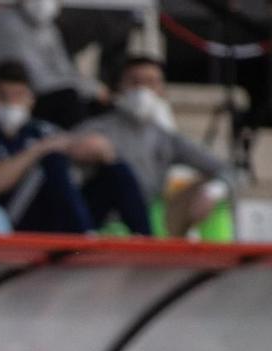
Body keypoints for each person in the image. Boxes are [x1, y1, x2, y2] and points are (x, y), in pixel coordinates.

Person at [0, 60, 147, 236]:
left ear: (31, 99)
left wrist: (99, 149)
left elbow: (74, 146)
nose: (10, 103)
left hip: (52, 214)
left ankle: (145, 239)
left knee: (114, 167)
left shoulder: (41, 129)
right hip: (9, 217)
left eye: (18, 96)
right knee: (52, 160)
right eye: (3, 96)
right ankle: (84, 236)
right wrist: (38, 150)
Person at [75, 55, 231, 237]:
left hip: (149, 216)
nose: (142, 90)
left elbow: (227, 169)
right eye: (134, 82)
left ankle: (213, 259)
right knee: (118, 174)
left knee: (211, 190)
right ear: (119, 86)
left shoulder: (166, 138)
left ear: (161, 89)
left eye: (150, 82)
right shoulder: (96, 129)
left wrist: (213, 191)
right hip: (105, 220)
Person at [0, 0, 103, 131]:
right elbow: (39, 79)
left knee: (93, 104)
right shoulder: (5, 23)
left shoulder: (47, 29)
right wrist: (92, 89)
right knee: (68, 100)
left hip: (22, 108)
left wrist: (97, 90)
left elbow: (65, 70)